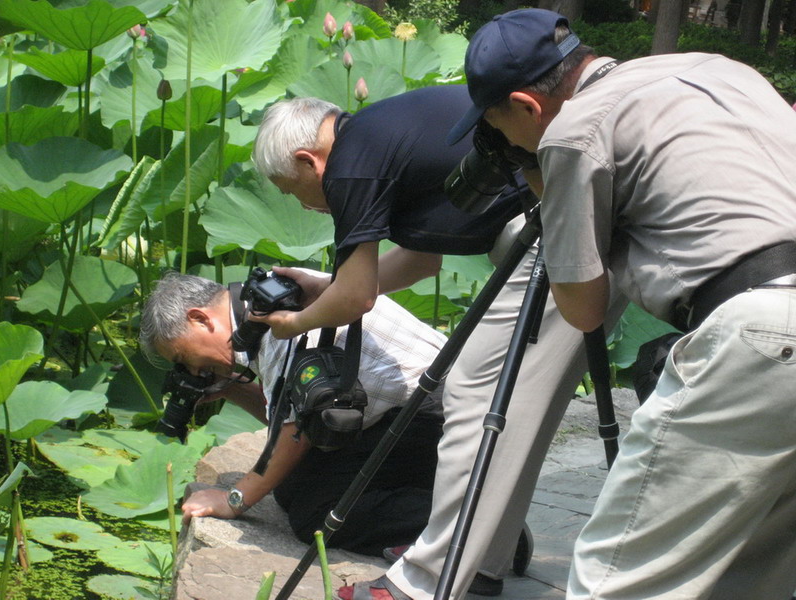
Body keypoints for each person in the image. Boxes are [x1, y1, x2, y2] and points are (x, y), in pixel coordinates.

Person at [449, 7, 796, 599]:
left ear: (526, 106)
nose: (503, 144)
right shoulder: (719, 68)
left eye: (499, 127)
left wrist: (544, 176)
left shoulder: (572, 132)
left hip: (760, 335)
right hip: (774, 320)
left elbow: (583, 311)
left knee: (615, 576)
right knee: (751, 578)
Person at [252, 86, 626, 599]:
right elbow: (418, 260)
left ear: (306, 160)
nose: (303, 203)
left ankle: (427, 580)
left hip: (552, 232)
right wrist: (327, 290)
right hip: (573, 218)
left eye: (293, 190)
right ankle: (479, 566)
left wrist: (296, 323)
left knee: (474, 398)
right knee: (510, 407)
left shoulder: (349, 164)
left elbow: (357, 299)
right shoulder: (379, 132)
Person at [139, 270, 447, 557]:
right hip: (400, 412)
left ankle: (461, 519)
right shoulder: (263, 300)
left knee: (320, 519)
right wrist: (232, 387)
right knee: (290, 488)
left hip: (436, 413)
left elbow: (294, 434)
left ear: (200, 319)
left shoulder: (278, 323)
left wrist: (235, 499)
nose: (193, 370)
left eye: (183, 357)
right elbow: (298, 417)